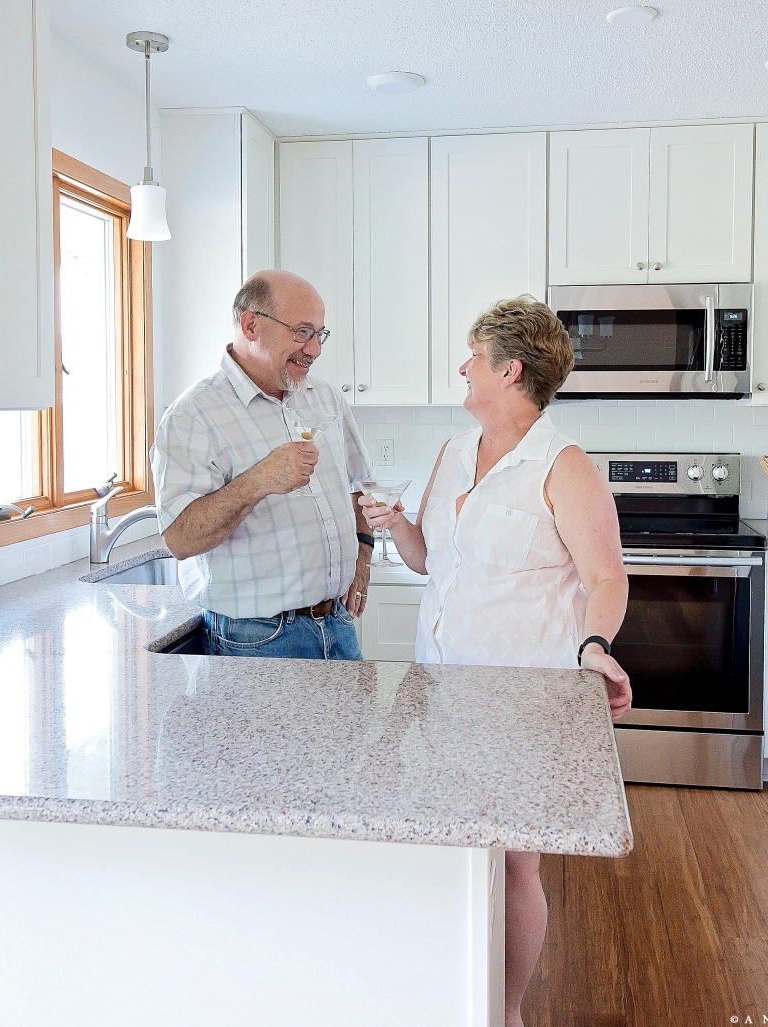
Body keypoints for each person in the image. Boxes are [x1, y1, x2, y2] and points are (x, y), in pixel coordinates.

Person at [358, 295, 632, 1027]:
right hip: (440, 687)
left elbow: (608, 579)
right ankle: (454, 992)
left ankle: (506, 1009)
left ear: (509, 371)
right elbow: (428, 561)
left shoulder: (565, 467)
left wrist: (595, 647)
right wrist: (398, 528)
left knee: (514, 858)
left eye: (472, 357)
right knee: (454, 845)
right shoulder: (452, 453)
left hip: (523, 697)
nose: (461, 367)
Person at [153, 269, 375, 660]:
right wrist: (259, 480)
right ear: (251, 325)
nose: (314, 349)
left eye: (319, 334)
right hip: (258, 639)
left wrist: (363, 554)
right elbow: (180, 539)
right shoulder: (193, 416)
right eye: (302, 332)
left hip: (338, 624)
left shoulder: (325, 398)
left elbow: (360, 486)